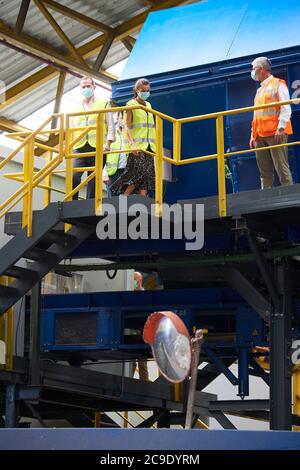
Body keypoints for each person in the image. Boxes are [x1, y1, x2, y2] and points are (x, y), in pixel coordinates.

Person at [249, 57, 293, 189]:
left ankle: (289, 197)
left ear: (261, 69)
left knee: (282, 169)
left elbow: (286, 108)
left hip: (275, 134)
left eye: (253, 68)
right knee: (264, 172)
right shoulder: (259, 90)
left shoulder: (278, 84)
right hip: (259, 136)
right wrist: (252, 134)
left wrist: (280, 129)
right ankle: (266, 201)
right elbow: (257, 115)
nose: (252, 71)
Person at [71, 76, 115, 199]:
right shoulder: (76, 107)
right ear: (80, 89)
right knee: (74, 175)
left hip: (98, 146)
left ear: (94, 87)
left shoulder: (103, 103)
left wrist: (108, 143)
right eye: (83, 87)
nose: (86, 88)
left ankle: (90, 202)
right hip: (79, 147)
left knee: (94, 177)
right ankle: (72, 200)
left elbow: (110, 124)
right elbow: (71, 129)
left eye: (88, 86)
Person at [110, 78, 156, 196]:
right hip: (137, 146)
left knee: (148, 175)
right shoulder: (130, 104)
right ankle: (124, 196)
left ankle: (143, 199)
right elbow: (127, 126)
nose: (146, 93)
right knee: (138, 173)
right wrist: (131, 144)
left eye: (147, 90)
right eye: (143, 90)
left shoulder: (149, 105)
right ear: (137, 90)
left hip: (149, 146)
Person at [103, 111, 127, 196]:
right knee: (113, 201)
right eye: (121, 118)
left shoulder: (128, 134)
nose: (123, 121)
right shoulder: (109, 134)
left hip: (126, 171)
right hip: (113, 173)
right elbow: (103, 155)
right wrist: (104, 174)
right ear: (117, 118)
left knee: (126, 203)